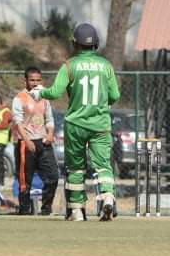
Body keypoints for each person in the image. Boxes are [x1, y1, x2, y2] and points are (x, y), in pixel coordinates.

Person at [32, 23, 119, 222]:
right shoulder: (106, 66)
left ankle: (77, 210)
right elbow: (115, 95)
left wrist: (41, 92)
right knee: (103, 165)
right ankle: (107, 197)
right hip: (100, 124)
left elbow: (55, 92)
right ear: (96, 43)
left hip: (75, 125)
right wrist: (102, 103)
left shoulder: (69, 66)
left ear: (75, 43)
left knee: (76, 168)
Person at [12, 66, 59, 215]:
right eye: (32, 80)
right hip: (26, 143)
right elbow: (18, 123)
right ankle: (24, 211)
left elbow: (49, 119)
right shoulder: (20, 98)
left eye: (38, 80)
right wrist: (27, 140)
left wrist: (50, 134)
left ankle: (46, 209)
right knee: (25, 181)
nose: (35, 83)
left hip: (43, 143)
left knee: (53, 176)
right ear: (25, 80)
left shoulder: (44, 96)